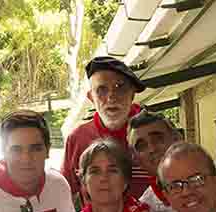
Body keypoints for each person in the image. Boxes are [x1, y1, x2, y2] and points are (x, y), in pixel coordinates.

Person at [61, 56, 152, 203]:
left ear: (132, 93)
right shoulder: (77, 139)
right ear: (91, 97)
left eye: (119, 87)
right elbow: (65, 195)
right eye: (101, 90)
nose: (111, 97)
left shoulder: (155, 131)